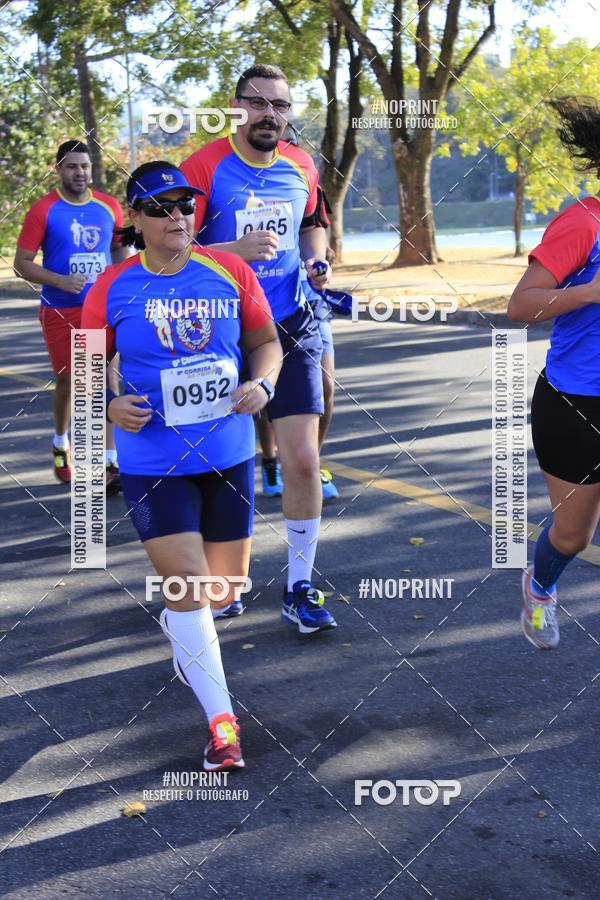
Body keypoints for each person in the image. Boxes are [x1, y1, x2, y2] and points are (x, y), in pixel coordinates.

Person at [82, 161, 282, 769]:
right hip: (153, 463)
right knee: (192, 590)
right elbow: (87, 363)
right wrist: (109, 402)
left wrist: (265, 385)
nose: (178, 217)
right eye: (162, 207)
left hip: (228, 454)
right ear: (135, 219)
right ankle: (223, 726)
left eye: (186, 206)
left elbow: (266, 343)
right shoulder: (111, 287)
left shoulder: (230, 269)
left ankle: (185, 631)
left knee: (221, 591)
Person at [180, 64, 338, 633]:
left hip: (293, 319)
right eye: (260, 103)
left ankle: (300, 586)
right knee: (219, 465)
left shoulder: (300, 163)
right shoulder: (203, 166)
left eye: (282, 105)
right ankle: (216, 580)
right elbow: (172, 250)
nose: (271, 114)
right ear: (237, 106)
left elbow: (313, 224)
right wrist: (235, 249)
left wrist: (317, 259)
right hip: (220, 328)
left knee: (302, 459)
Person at [508, 95, 600, 649]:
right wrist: (590, 291)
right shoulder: (584, 221)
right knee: (574, 534)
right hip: (577, 403)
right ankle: (540, 586)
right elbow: (521, 306)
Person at [14, 140, 126, 491]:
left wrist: (125, 289)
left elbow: (120, 251)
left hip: (102, 309)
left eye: (85, 166)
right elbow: (21, 264)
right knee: (70, 384)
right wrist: (60, 279)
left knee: (108, 380)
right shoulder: (43, 210)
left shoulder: (108, 207)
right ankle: (61, 442)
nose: (80, 172)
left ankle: (110, 463)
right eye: (72, 166)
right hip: (61, 310)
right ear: (58, 169)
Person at [257, 122, 339, 501]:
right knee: (261, 392)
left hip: (311, 303)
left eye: (289, 142)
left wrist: (319, 262)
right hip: (264, 306)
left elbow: (317, 238)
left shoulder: (304, 180)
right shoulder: (246, 188)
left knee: (325, 387)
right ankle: (271, 459)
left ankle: (311, 462)